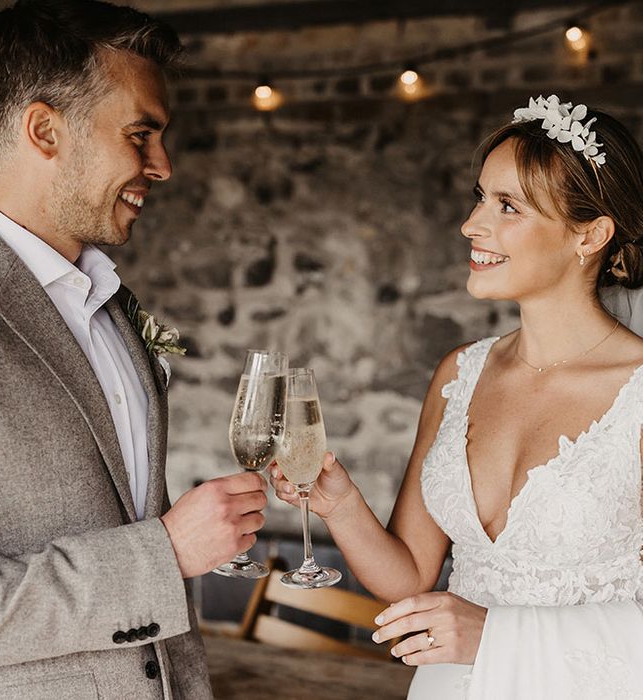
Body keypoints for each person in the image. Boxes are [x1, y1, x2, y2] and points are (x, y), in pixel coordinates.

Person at [0, 2, 269, 698]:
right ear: (45, 130)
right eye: (141, 134)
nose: (164, 165)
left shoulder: (113, 305)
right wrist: (164, 554)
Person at [272, 94, 643, 698]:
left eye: (508, 206)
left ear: (591, 234)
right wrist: (340, 505)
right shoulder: (459, 374)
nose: (473, 225)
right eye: (479, 197)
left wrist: (494, 637)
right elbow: (409, 577)